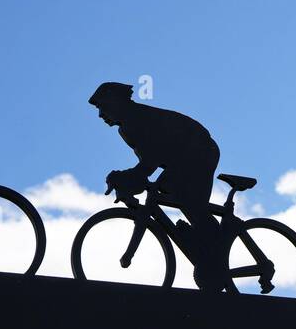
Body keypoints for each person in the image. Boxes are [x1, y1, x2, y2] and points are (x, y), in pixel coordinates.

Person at [88, 82, 224, 290]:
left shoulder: (136, 120)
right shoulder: (127, 127)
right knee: (172, 192)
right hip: (183, 155)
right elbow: (146, 163)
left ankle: (214, 249)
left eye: (102, 107)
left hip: (199, 150)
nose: (100, 115)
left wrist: (127, 177)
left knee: (189, 201)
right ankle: (207, 242)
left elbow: (149, 163)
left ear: (115, 103)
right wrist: (130, 180)